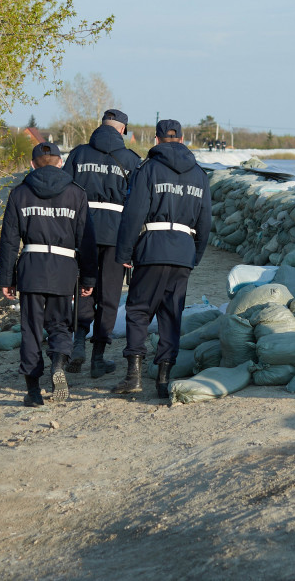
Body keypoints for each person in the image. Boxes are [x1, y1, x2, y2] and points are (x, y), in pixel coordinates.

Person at [113, 119, 211, 398]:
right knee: (171, 314)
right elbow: (205, 222)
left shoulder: (148, 169)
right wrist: (195, 254)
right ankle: (163, 380)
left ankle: (134, 375)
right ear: (181, 140)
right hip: (183, 250)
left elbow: (134, 214)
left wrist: (124, 252)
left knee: (139, 310)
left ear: (156, 140)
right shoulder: (199, 175)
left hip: (151, 247)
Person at [0, 142, 97, 406]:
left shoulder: (19, 193)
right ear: (61, 162)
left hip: (31, 267)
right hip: (64, 268)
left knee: (31, 328)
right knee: (61, 323)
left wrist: (6, 279)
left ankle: (32, 391)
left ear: (32, 165)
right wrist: (89, 278)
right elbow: (86, 240)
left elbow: (9, 241)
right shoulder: (76, 193)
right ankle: (58, 363)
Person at [63, 109, 141, 377]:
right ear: (122, 131)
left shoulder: (78, 154)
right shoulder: (131, 160)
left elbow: (63, 191)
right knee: (109, 296)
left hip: (82, 230)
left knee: (83, 288)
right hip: (116, 236)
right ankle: (98, 358)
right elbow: (138, 205)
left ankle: (78, 345)